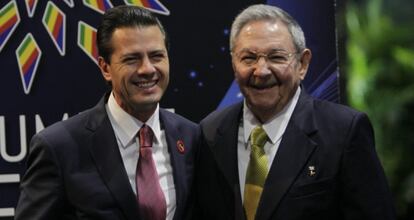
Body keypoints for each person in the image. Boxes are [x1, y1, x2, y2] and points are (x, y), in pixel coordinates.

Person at [194, 4, 395, 220]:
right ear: (234, 63)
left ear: (302, 64)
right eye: (249, 58)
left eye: (276, 57)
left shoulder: (344, 132)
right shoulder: (210, 132)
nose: (261, 71)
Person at [15, 5, 199, 220]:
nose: (147, 69)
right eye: (132, 59)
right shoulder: (58, 148)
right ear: (105, 68)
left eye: (157, 56)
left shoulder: (190, 136)